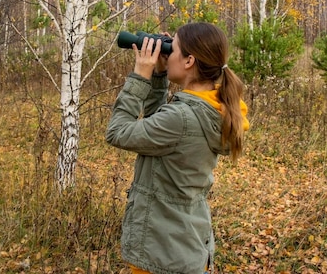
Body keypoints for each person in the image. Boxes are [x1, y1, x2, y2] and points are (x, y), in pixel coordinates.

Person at [106, 22, 249, 274]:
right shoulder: (210, 109)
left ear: (189, 61)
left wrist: (141, 77)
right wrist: (159, 76)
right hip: (183, 246)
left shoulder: (182, 118)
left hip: (162, 254)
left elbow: (117, 132)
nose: (165, 53)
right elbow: (158, 136)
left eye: (172, 49)